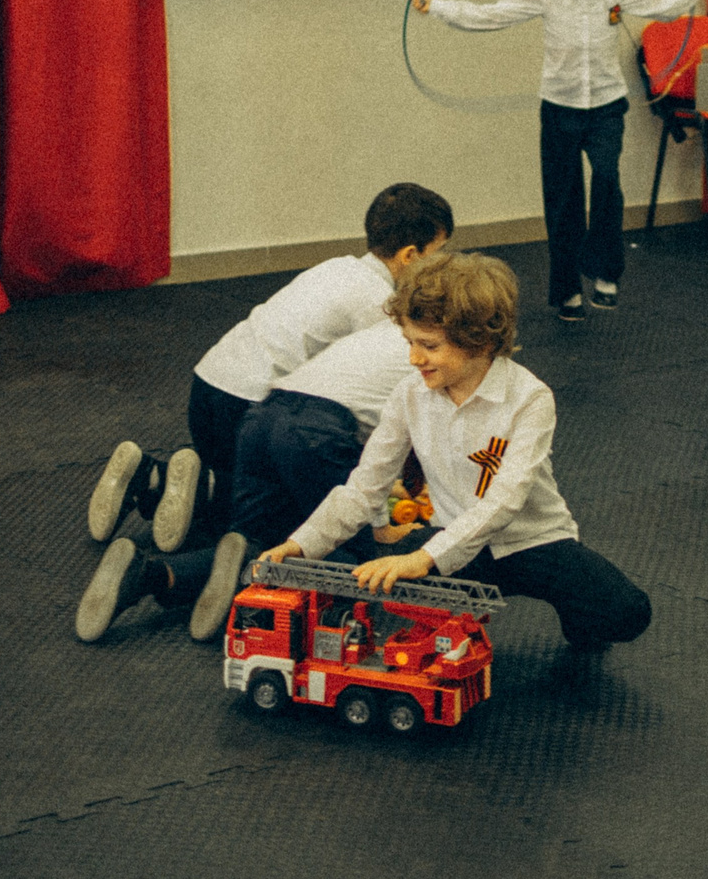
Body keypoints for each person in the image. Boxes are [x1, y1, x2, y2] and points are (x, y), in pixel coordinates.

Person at [259, 252, 652, 655]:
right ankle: (448, 624)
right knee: (394, 572)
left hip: (532, 542)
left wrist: (427, 557)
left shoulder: (530, 397)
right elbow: (364, 489)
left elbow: (505, 501)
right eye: (410, 343)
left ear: (480, 342)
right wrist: (302, 544)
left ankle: (578, 615)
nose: (413, 358)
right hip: (456, 544)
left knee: (627, 613)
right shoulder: (408, 394)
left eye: (428, 345)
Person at [83, 183, 455, 564]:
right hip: (248, 409)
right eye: (440, 251)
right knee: (296, 521)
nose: (445, 261)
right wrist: (380, 513)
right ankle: (177, 485)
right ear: (411, 256)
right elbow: (364, 409)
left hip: (208, 389)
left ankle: (151, 479)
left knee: (255, 497)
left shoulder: (337, 267)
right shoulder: (381, 306)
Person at [414, 0, 708, 319]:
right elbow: (492, 15)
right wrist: (439, 7)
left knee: (607, 181)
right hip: (559, 108)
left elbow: (669, 7)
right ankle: (568, 290)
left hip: (606, 106)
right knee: (563, 200)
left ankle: (606, 273)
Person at [74, 315, 422, 645]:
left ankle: (150, 575)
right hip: (316, 433)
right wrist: (381, 525)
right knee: (355, 571)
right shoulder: (431, 360)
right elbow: (388, 454)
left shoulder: (389, 331)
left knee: (260, 541)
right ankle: (248, 590)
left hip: (263, 416)